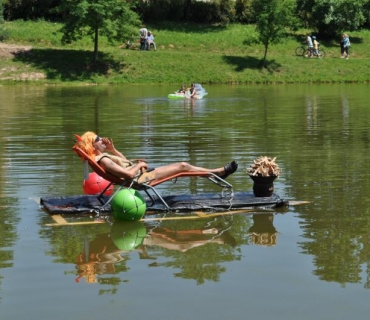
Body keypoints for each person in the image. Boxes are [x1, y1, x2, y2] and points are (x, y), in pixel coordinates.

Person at [74, 131, 238, 185]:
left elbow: (125, 164)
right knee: (182, 166)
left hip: (141, 176)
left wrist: (113, 150)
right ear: (92, 146)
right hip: (142, 178)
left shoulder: (104, 157)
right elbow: (129, 174)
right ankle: (218, 172)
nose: (103, 140)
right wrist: (141, 165)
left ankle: (216, 173)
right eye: (98, 139)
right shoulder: (103, 160)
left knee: (185, 167)